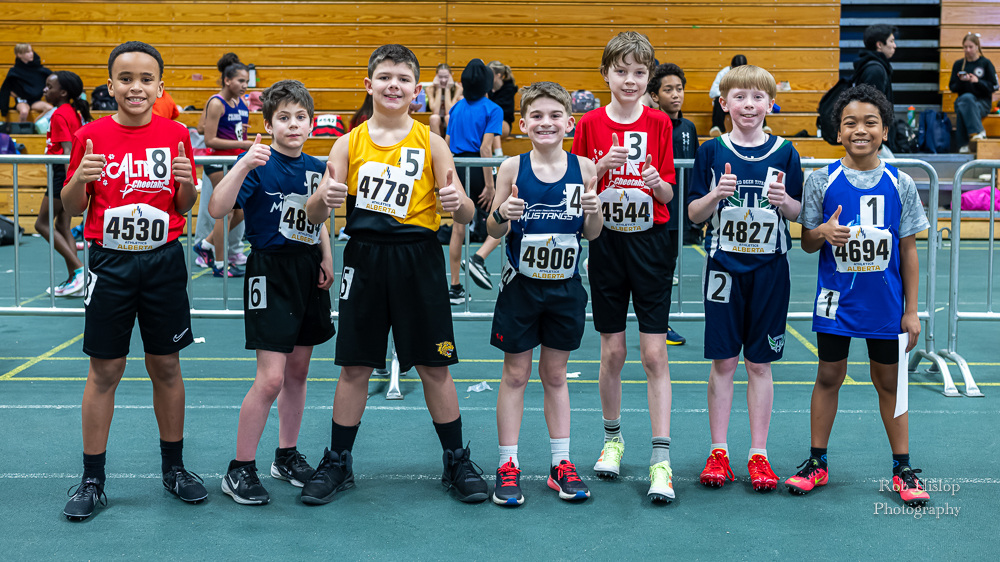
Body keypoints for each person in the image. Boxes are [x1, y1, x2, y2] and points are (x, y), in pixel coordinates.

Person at [303, 44, 488, 505]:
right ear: (369, 84)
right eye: (385, 77)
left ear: (416, 89)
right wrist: (322, 199)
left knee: (434, 366)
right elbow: (312, 214)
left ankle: (456, 460)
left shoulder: (432, 142)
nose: (394, 85)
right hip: (364, 259)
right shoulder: (348, 143)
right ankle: (338, 462)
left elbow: (466, 211)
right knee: (355, 366)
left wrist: (459, 204)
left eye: (404, 79)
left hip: (418, 259)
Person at [60, 41, 205, 521]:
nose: (136, 87)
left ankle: (174, 469)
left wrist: (187, 184)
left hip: (162, 262)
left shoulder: (176, 134)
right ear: (111, 85)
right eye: (126, 78)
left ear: (160, 86)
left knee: (166, 365)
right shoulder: (90, 135)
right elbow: (73, 206)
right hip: (110, 264)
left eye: (146, 79)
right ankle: (92, 479)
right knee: (105, 370)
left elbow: (183, 204)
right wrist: (78, 179)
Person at [785, 84, 931, 507]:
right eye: (850, 123)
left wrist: (912, 311)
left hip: (885, 303)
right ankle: (817, 462)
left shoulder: (901, 183)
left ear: (884, 130)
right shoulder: (821, 180)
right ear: (838, 131)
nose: (860, 130)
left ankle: (903, 467)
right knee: (829, 376)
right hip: (836, 301)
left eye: (870, 122)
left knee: (889, 383)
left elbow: (908, 250)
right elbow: (807, 242)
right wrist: (822, 231)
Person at [208, 80, 335, 505]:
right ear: (268, 124)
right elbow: (217, 208)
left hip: (307, 269)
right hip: (270, 271)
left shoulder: (317, 165)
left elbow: (318, 219)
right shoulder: (258, 164)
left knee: (298, 372)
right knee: (271, 378)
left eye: (300, 117)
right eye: (284, 117)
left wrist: (326, 256)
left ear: (311, 124)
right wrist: (243, 164)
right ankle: (239, 468)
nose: (293, 124)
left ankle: (286, 455)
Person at [570, 31, 678, 503]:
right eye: (621, 71)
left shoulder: (660, 122)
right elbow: (577, 186)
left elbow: (669, 194)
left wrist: (655, 182)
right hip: (607, 242)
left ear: (648, 76)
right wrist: (599, 167)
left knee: (654, 355)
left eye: (639, 72)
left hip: (651, 244)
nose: (630, 80)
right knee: (612, 352)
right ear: (606, 74)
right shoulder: (590, 123)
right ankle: (612, 440)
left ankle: (661, 458)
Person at [687, 64, 803, 493]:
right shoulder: (711, 151)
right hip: (724, 269)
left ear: (770, 103)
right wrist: (714, 196)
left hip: (770, 270)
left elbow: (799, 213)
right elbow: (693, 214)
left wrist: (786, 202)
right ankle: (718, 451)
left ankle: (759, 453)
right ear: (724, 103)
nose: (748, 105)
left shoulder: (785, 152)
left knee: (759, 363)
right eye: (739, 97)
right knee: (724, 361)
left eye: (757, 98)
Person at [486, 82, 603, 506]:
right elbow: (493, 227)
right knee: (515, 375)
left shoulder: (585, 169)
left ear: (569, 123)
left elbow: (593, 233)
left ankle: (561, 463)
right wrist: (503, 213)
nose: (546, 123)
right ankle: (508, 464)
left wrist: (595, 212)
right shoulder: (511, 168)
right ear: (523, 123)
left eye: (555, 115)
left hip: (565, 288)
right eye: (536, 116)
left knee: (555, 375)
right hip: (522, 287)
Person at [648, 62, 700, 346]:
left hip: (679, 214)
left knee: (668, 269)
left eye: (679, 89)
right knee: (656, 272)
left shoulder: (689, 127)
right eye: (668, 90)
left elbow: (694, 171)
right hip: (656, 212)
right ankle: (658, 324)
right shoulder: (650, 125)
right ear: (655, 96)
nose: (675, 94)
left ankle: (659, 322)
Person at [446, 59, 504, 301]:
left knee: (458, 229)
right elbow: (485, 149)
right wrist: (490, 185)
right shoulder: (493, 109)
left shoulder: (456, 108)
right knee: (504, 220)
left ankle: (455, 288)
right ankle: (479, 258)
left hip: (457, 169)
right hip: (479, 169)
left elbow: (447, 144)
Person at [193, 54, 253, 277]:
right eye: (241, 81)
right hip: (218, 162)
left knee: (242, 209)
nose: (245, 85)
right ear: (227, 80)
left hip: (235, 161)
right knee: (225, 213)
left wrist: (241, 140)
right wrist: (243, 143)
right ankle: (220, 264)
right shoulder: (216, 103)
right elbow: (209, 139)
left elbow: (236, 132)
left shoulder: (241, 102)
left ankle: (207, 244)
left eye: (247, 81)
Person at [36, 71, 89, 297]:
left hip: (62, 174)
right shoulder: (71, 112)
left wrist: (70, 184)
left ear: (64, 92)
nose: (45, 90)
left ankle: (79, 270)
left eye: (50, 87)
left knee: (42, 224)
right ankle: (76, 279)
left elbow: (68, 153)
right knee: (62, 225)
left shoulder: (60, 114)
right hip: (67, 174)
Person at [949, 33, 998, 153]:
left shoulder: (985, 63)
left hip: (982, 103)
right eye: (965, 47)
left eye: (970, 47)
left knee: (963, 105)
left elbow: (994, 86)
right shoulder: (959, 64)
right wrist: (962, 81)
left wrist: (977, 81)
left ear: (977, 47)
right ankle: (979, 131)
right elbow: (952, 87)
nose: (967, 50)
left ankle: (963, 144)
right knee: (965, 100)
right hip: (965, 101)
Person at [1, 43, 53, 122]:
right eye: (27, 52)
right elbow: (6, 89)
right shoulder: (14, 71)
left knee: (49, 108)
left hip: (35, 101)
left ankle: (35, 124)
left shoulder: (40, 70)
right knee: (24, 112)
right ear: (19, 55)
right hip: (22, 101)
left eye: (31, 51)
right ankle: (23, 128)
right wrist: (4, 109)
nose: (31, 54)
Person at [854, 25, 897, 107]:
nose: (895, 46)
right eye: (891, 41)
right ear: (879, 45)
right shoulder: (875, 70)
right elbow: (873, 108)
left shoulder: (870, 65)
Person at [487, 60, 517, 153]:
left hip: (504, 123)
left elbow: (505, 110)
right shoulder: (487, 89)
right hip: (487, 121)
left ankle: (498, 153)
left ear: (498, 75)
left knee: (493, 121)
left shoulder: (508, 89)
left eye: (490, 74)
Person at [426, 63, 462, 137]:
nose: (443, 80)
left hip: (450, 122)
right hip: (438, 123)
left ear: (450, 77)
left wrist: (447, 88)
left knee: (448, 117)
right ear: (436, 77)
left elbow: (449, 111)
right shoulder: (430, 89)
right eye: (440, 77)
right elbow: (435, 111)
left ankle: (449, 143)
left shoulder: (458, 89)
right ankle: (438, 143)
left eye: (446, 77)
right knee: (434, 117)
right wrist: (439, 88)